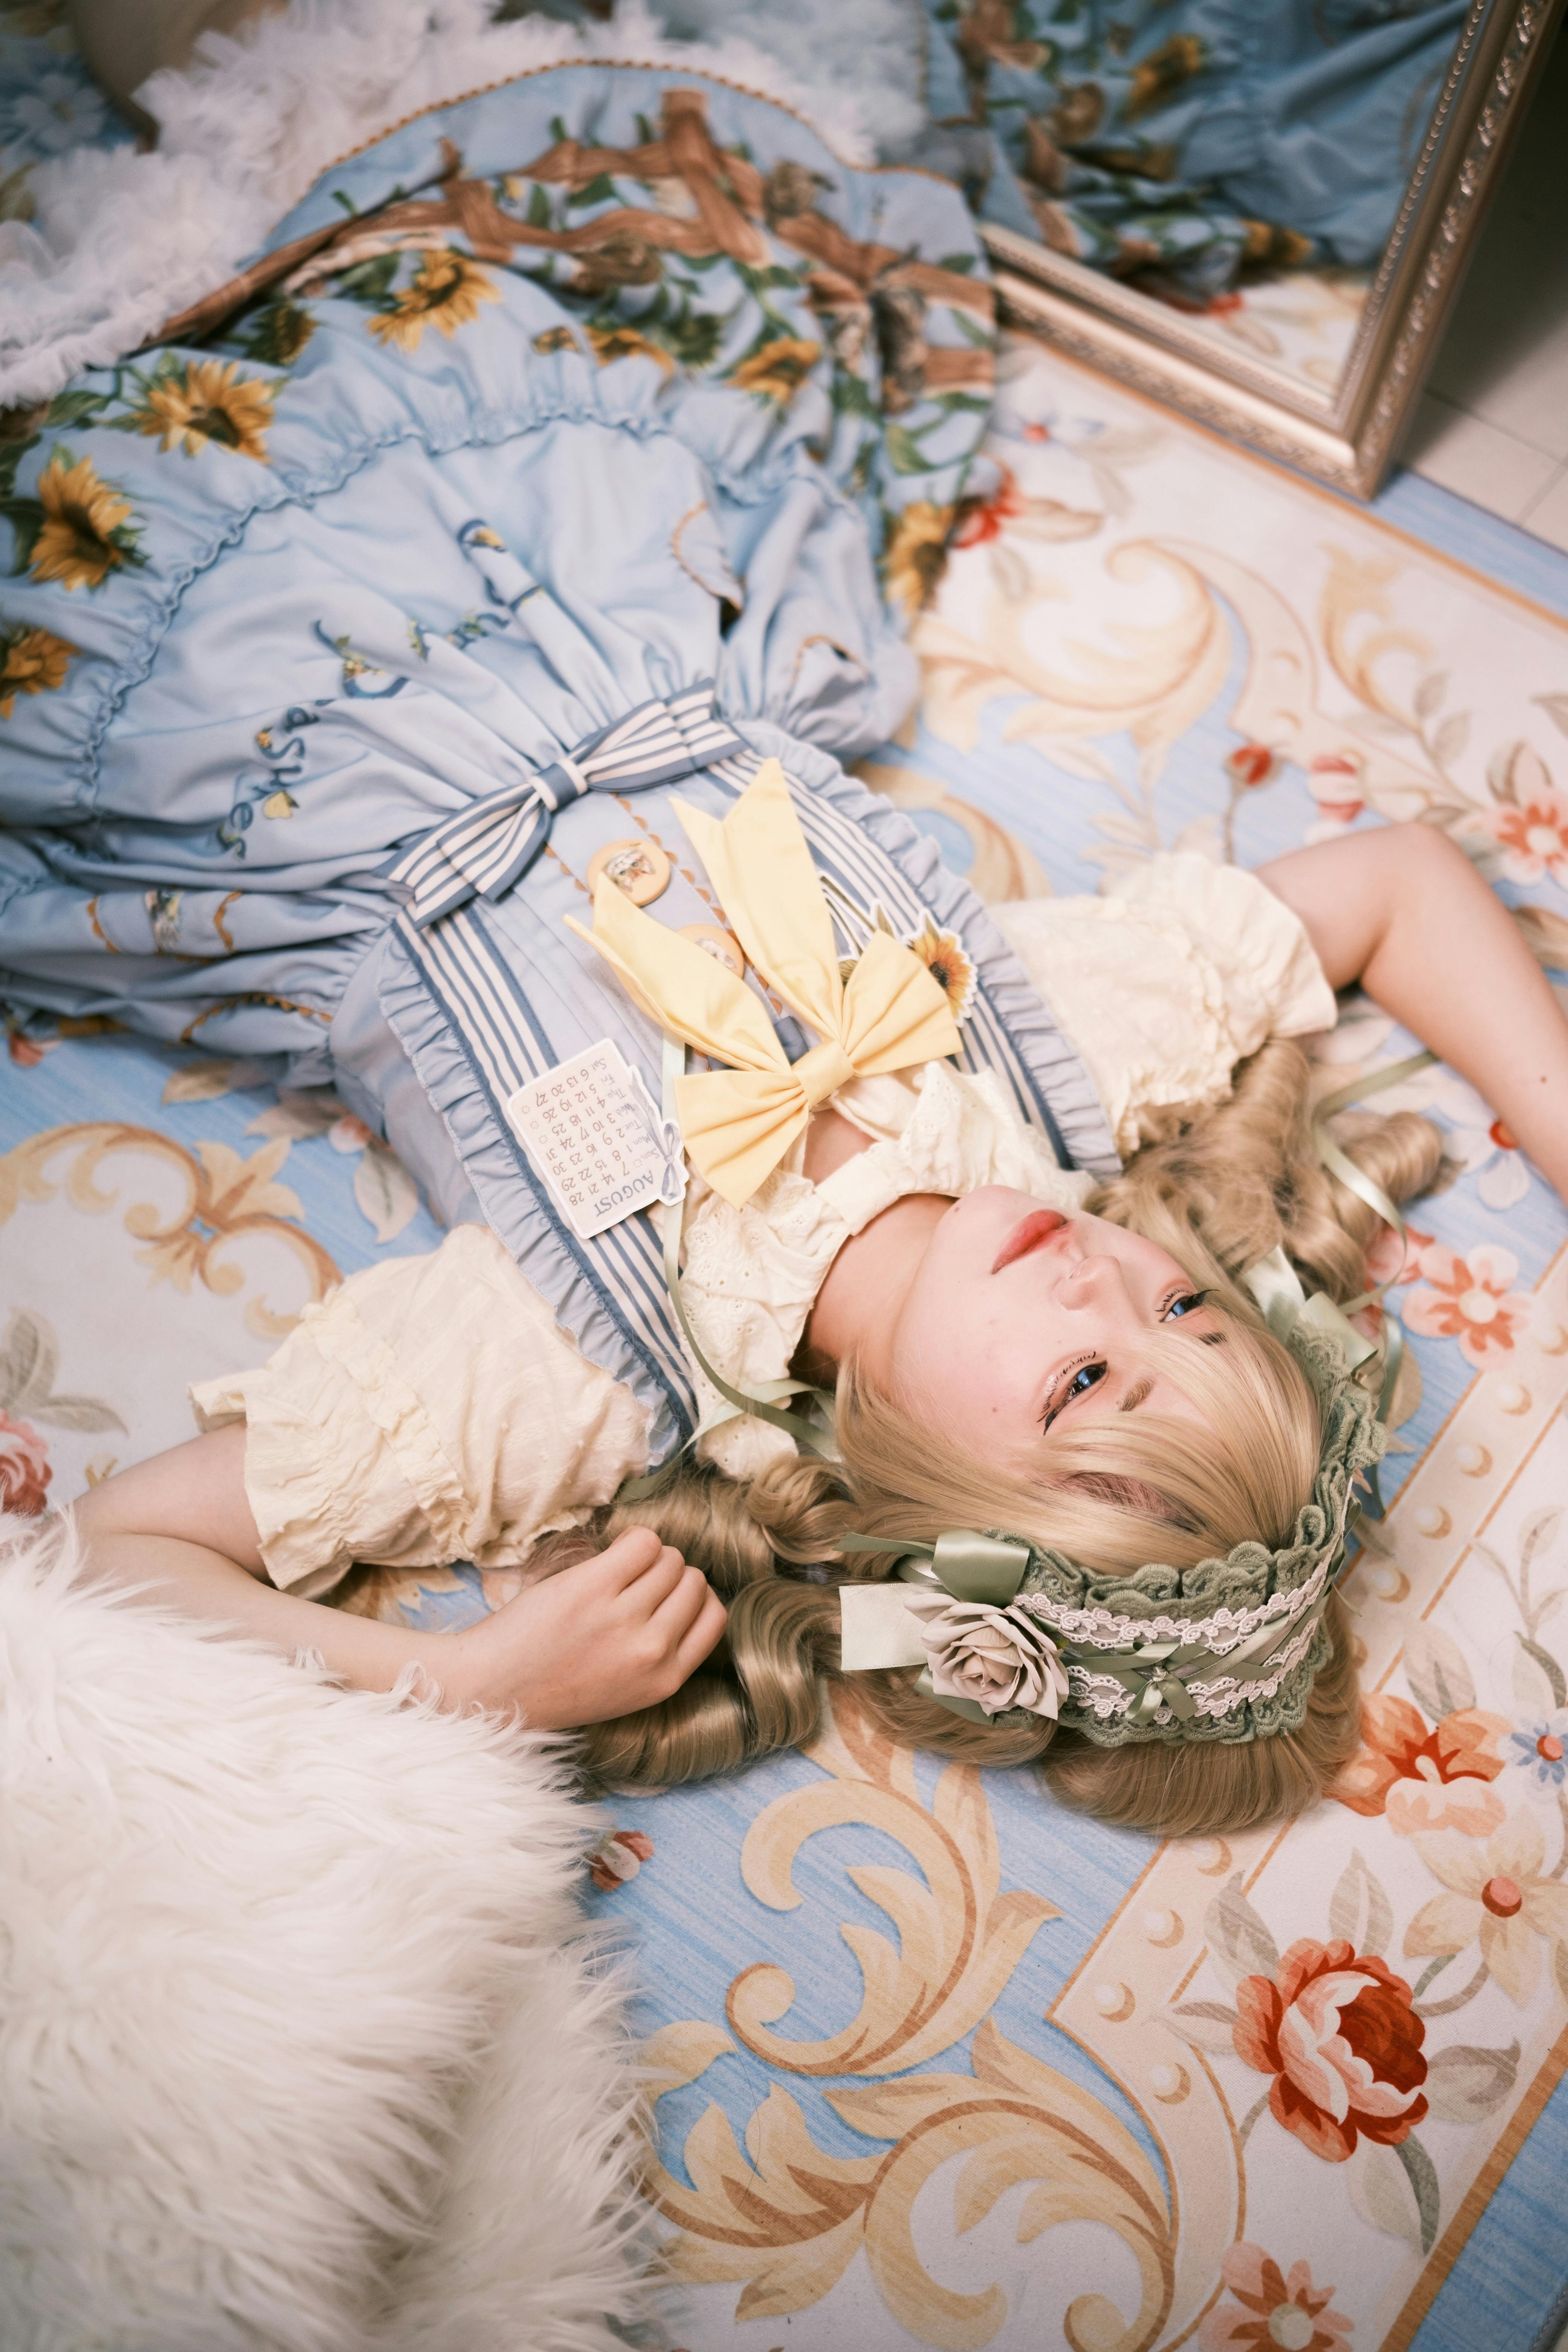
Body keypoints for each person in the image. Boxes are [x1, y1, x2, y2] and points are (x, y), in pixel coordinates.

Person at [9, 52, 1565, 1835]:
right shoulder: (1049, 1064)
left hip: (274, 751)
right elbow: (1394, 887)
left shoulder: (576, 1376)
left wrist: (462, 1684)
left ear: (935, 1520)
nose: (1102, 1278)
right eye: (1183, 1305)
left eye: (1085, 1377)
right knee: (518, 215)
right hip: (583, 552)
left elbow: (106, 1556)